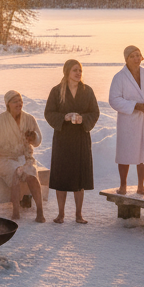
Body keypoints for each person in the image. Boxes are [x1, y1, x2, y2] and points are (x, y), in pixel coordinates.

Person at [44, 60, 100, 223]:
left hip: (81, 138)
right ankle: (61, 214)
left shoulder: (87, 91)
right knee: (61, 176)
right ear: (67, 71)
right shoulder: (56, 91)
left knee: (79, 176)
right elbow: (48, 113)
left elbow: (95, 112)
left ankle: (78, 215)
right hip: (62, 139)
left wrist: (84, 119)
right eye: (75, 70)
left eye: (80, 70)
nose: (78, 73)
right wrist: (64, 117)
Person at [0, 90, 45, 222]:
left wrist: (34, 137)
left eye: (20, 101)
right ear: (7, 104)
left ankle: (40, 211)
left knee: (32, 175)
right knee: (16, 173)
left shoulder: (29, 119)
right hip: (5, 159)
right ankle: (16, 211)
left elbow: (38, 141)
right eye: (15, 101)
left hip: (25, 158)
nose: (19, 104)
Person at [109, 45, 144, 195]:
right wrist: (135, 105)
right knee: (125, 152)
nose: (136, 58)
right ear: (126, 59)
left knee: (143, 152)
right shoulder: (119, 77)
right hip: (128, 121)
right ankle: (123, 185)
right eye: (132, 56)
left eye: (138, 55)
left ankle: (141, 186)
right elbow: (114, 99)